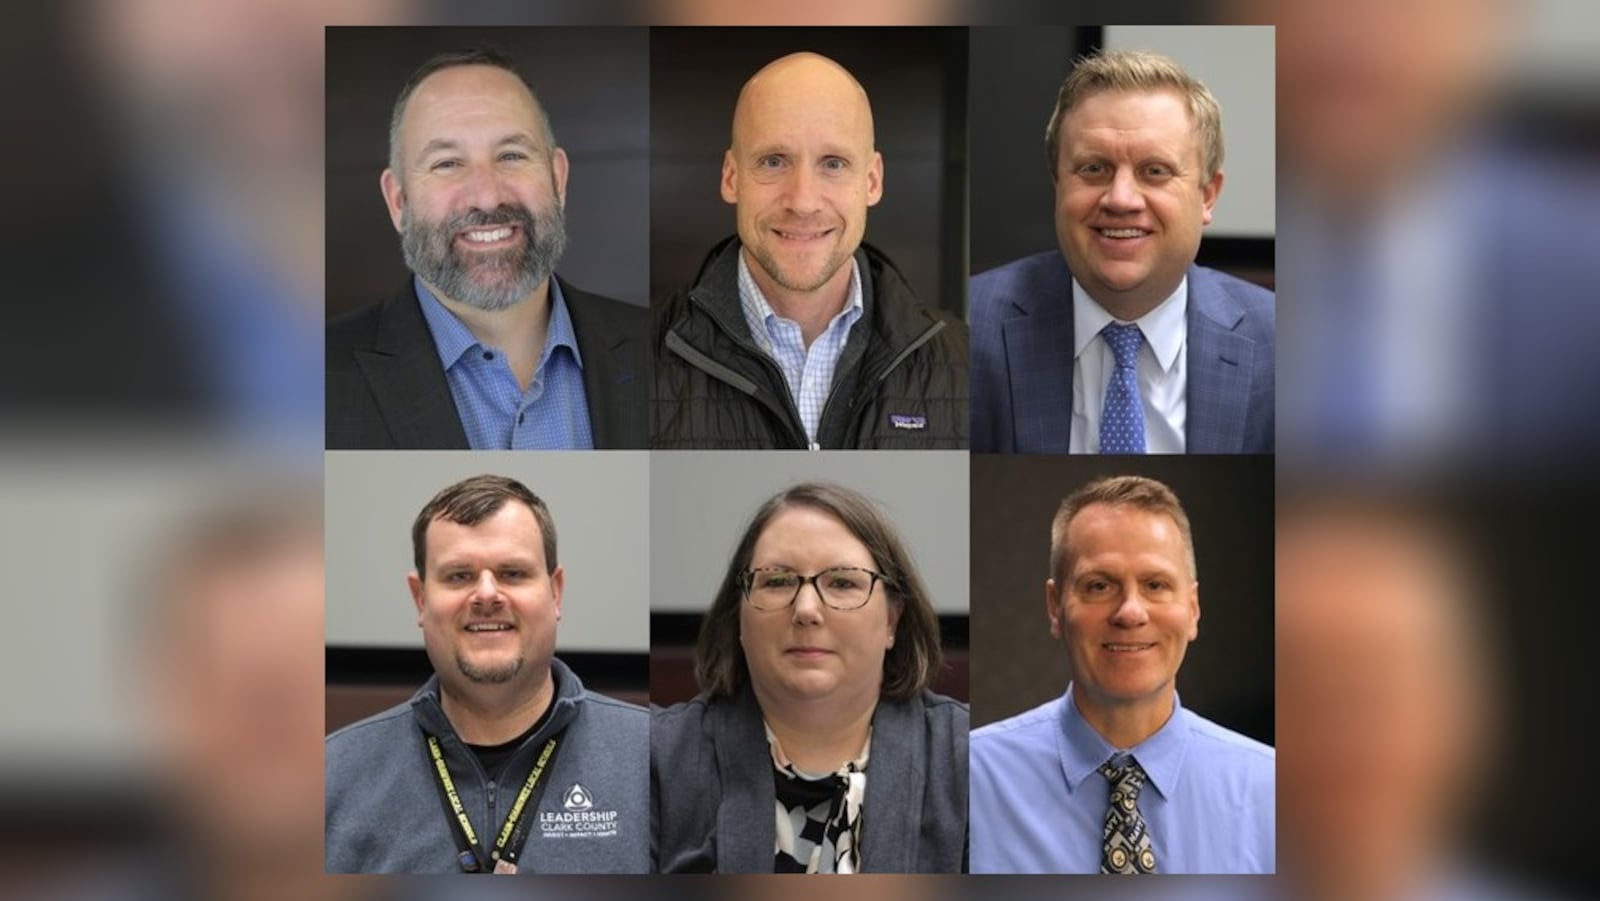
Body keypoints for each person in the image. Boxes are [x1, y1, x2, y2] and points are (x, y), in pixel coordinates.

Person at [326, 48, 648, 450]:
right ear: (398, 201)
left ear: (558, 180)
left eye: (511, 155)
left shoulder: (657, 348)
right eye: (447, 163)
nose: (488, 197)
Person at [325, 475, 648, 873]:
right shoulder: (330, 776)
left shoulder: (654, 758)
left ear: (556, 592)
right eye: (459, 575)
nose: (487, 594)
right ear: (420, 599)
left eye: (513, 573)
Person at [652, 52, 968, 450]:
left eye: (833, 164)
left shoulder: (967, 360)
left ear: (872, 181)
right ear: (732, 177)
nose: (802, 201)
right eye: (773, 161)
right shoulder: (641, 353)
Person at [969, 50, 1274, 454]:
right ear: (1057, 184)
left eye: (1155, 171)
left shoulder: (1280, 344)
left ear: (1208, 196)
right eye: (1094, 169)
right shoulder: (971, 326)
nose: (1121, 199)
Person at [652, 482, 967, 872]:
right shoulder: (657, 759)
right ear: (739, 617)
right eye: (777, 581)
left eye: (842, 582)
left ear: (891, 619)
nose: (806, 610)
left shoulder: (967, 759)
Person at [969, 475, 1273, 874]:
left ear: (1193, 608)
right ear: (1054, 606)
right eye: (1099, 586)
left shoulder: (1274, 792)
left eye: (1155, 584)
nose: (1130, 612)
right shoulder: (969, 779)